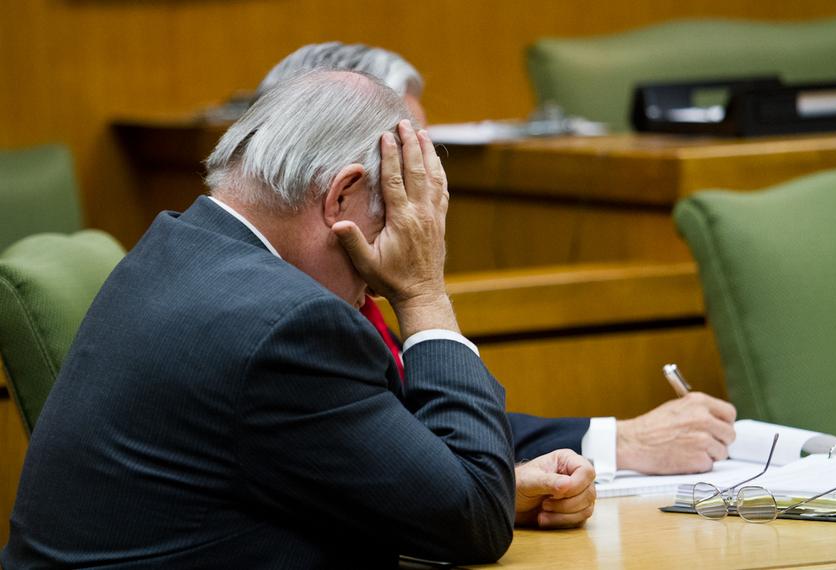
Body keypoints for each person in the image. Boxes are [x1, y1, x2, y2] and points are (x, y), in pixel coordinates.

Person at [3, 70, 575, 568]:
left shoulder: (175, 251)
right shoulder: (284, 325)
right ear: (343, 197)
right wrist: (423, 290)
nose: (379, 273)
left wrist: (478, 483)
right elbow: (473, 518)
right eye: (395, 225)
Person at [258, 42, 738, 480]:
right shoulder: (284, 327)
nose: (421, 196)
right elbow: (428, 474)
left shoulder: (329, 292)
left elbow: (414, 428)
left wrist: (612, 442)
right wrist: (423, 291)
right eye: (403, 165)